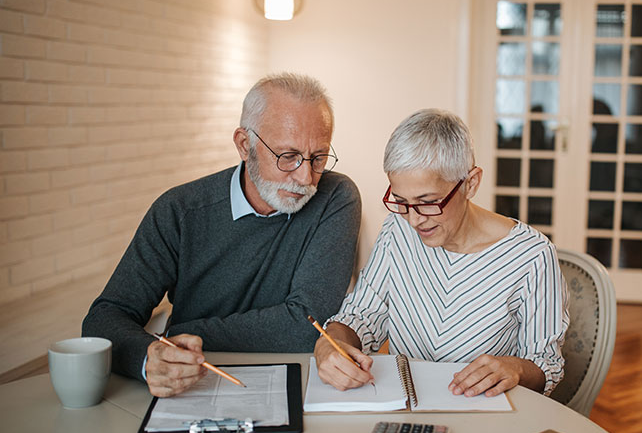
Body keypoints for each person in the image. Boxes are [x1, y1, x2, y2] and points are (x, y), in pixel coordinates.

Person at [82, 73, 361, 398]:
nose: (306, 177)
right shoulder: (179, 211)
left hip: (298, 384)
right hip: (192, 386)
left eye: (319, 157)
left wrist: (182, 332)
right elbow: (103, 319)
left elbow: (307, 325)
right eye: (288, 156)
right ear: (244, 145)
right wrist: (149, 358)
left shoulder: (335, 197)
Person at [315, 109, 569, 398]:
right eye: (401, 201)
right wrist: (330, 342)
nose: (414, 220)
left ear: (471, 183)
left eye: (428, 202)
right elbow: (361, 316)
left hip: (483, 411)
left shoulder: (533, 256)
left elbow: (546, 365)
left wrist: (516, 368)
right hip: (406, 409)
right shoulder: (397, 230)